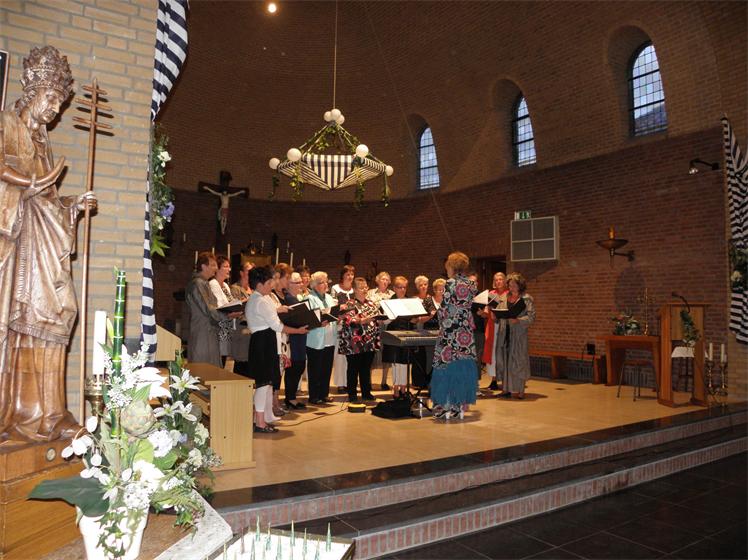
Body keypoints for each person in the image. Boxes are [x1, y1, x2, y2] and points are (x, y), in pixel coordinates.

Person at [0, 46, 96, 442]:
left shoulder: (42, 141)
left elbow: (48, 199)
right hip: (19, 246)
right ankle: (20, 412)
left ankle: (51, 414)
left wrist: (71, 204)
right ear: (31, 90)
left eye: (60, 101)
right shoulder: (6, 124)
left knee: (58, 314)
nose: (56, 108)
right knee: (29, 321)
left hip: (43, 240)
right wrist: (29, 184)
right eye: (51, 98)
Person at [246, 266, 307, 433]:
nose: (271, 285)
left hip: (266, 341)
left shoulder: (261, 298)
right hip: (263, 343)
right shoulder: (260, 300)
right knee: (262, 384)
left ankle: (264, 418)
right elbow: (277, 326)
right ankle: (259, 423)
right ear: (260, 284)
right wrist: (298, 331)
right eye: (269, 282)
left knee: (267, 384)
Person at [431, 252, 478, 420]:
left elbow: (444, 308)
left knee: (445, 367)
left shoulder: (450, 283)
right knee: (461, 368)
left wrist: (439, 318)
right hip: (465, 332)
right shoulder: (471, 284)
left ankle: (445, 406)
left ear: (451, 266)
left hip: (450, 332)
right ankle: (458, 406)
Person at [186, 252, 240, 367]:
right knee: (203, 368)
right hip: (203, 331)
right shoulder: (198, 284)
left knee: (211, 369)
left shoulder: (203, 283)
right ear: (203, 266)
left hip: (209, 330)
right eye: (213, 265)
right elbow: (207, 308)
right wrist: (227, 316)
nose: (215, 268)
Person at [338, 277, 381, 402]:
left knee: (366, 368)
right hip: (354, 343)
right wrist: (364, 320)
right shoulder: (349, 304)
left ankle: (366, 393)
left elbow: (377, 317)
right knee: (353, 369)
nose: (365, 289)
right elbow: (349, 321)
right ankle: (352, 394)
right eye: (361, 288)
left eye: (366, 287)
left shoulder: (371, 303)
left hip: (369, 341)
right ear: (355, 289)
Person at [498, 272, 535, 399]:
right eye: (510, 285)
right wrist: (495, 314)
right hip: (505, 332)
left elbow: (531, 317)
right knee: (505, 360)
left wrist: (518, 320)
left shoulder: (526, 299)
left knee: (519, 361)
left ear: (520, 285)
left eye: (514, 285)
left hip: (518, 334)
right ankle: (506, 388)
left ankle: (520, 390)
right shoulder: (504, 297)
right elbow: (499, 313)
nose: (511, 287)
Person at [305, 271, 337, 405]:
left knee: (326, 368)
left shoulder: (329, 297)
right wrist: (320, 321)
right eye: (321, 282)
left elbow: (333, 313)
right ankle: (314, 396)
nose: (325, 284)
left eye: (326, 281)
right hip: (315, 338)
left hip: (329, 337)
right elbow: (309, 318)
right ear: (314, 285)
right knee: (315, 369)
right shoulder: (309, 298)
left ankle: (324, 394)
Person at [381, 276, 411, 396]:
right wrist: (392, 316)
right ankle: (396, 388)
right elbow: (384, 321)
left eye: (404, 287)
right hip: (393, 335)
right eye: (400, 287)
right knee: (395, 362)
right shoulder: (389, 302)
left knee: (404, 362)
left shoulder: (409, 301)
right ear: (394, 288)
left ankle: (403, 388)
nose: (402, 290)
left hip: (406, 333)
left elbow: (413, 319)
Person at [209, 255, 239, 366]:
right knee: (217, 361)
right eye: (226, 266)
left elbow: (230, 302)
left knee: (223, 360)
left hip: (226, 327)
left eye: (229, 266)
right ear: (217, 269)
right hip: (219, 328)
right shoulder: (213, 284)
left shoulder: (225, 285)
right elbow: (219, 306)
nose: (229, 269)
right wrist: (232, 311)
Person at [283, 272, 307, 409]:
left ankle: (291, 397)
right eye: (297, 282)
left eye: (301, 282)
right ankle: (290, 398)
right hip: (294, 336)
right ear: (289, 284)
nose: (301, 284)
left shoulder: (295, 298)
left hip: (300, 335)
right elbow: (292, 319)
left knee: (299, 366)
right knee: (294, 367)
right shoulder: (288, 299)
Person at [482, 272, 509, 390]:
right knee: (492, 352)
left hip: (504, 325)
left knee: (504, 351)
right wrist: (482, 313)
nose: (498, 281)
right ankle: (493, 380)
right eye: (496, 280)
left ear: (505, 281)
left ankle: (505, 379)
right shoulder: (491, 294)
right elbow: (486, 312)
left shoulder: (509, 294)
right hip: (492, 326)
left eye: (500, 279)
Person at [367, 271, 394, 390]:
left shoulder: (392, 294)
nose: (385, 281)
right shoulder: (370, 293)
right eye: (383, 279)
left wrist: (387, 320)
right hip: (373, 326)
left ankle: (384, 381)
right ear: (377, 280)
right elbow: (367, 308)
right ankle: (368, 381)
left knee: (386, 353)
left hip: (387, 326)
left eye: (387, 279)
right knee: (372, 353)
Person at [331, 265, 355, 394]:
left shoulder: (354, 290)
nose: (350, 277)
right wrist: (342, 307)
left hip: (353, 326)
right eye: (348, 274)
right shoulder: (335, 288)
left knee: (350, 357)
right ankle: (340, 384)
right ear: (342, 275)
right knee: (340, 357)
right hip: (340, 325)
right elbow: (333, 306)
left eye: (352, 274)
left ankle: (349, 383)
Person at [411, 275, 436, 388]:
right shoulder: (414, 299)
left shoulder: (431, 298)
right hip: (417, 328)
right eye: (420, 285)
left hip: (429, 328)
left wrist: (427, 317)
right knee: (418, 355)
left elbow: (434, 314)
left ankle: (428, 381)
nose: (423, 287)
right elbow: (414, 317)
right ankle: (417, 382)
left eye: (425, 284)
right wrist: (426, 317)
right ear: (417, 287)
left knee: (428, 356)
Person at [229, 260, 253, 377]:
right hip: (241, 330)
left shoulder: (253, 289)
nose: (251, 274)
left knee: (251, 363)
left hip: (253, 330)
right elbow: (234, 308)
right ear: (241, 273)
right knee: (242, 363)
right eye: (249, 271)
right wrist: (251, 300)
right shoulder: (235, 288)